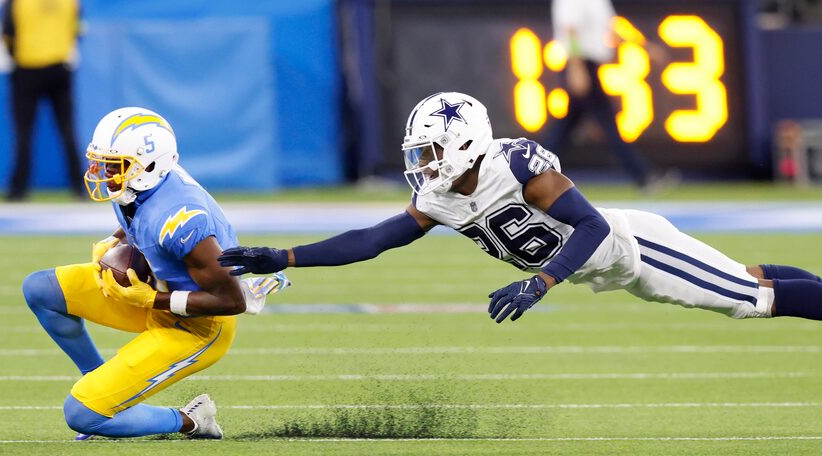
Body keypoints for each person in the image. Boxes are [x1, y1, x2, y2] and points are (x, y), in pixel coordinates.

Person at [219, 91, 822, 325]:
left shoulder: (517, 166)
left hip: (634, 249)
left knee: (750, 299)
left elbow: (589, 224)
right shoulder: (439, 194)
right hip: (612, 270)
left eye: (430, 152)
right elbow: (375, 240)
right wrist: (285, 255)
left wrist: (541, 281)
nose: (423, 165)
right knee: (747, 280)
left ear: (463, 144)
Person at [22, 107, 261, 440]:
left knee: (81, 414)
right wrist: (113, 240)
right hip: (150, 293)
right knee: (40, 289)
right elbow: (138, 215)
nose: (100, 171)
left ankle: (191, 419)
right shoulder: (142, 182)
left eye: (112, 165)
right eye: (101, 161)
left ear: (148, 166)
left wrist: (152, 299)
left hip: (197, 325)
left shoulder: (181, 220)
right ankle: (107, 388)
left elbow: (231, 300)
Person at [546, 0, 671, 190]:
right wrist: (576, 66)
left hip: (589, 65)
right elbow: (569, 28)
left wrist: (645, 47)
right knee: (607, 124)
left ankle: (532, 173)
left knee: (565, 128)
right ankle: (644, 177)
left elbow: (612, 30)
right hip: (580, 63)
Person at [1, 0, 84, 201]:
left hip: (27, 67)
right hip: (59, 67)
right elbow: (77, 30)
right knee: (67, 130)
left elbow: (7, 33)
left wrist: (20, 54)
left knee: (24, 133)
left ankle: (18, 190)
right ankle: (79, 187)